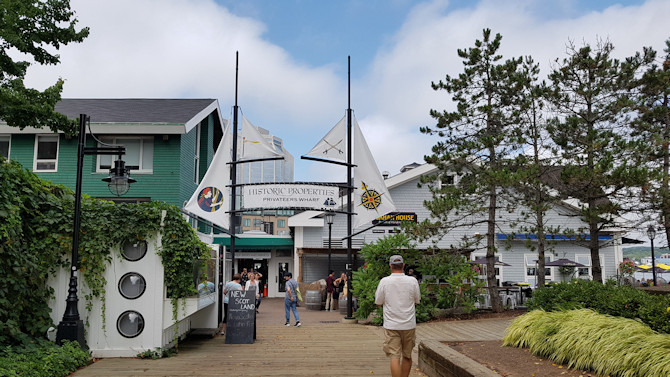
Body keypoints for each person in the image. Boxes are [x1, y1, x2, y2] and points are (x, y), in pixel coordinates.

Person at [375, 255, 421, 377]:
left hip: (391, 325)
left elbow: (378, 302)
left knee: (394, 357)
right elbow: (417, 300)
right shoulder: (412, 281)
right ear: (403, 266)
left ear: (390, 266)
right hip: (408, 324)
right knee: (407, 356)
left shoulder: (384, 281)